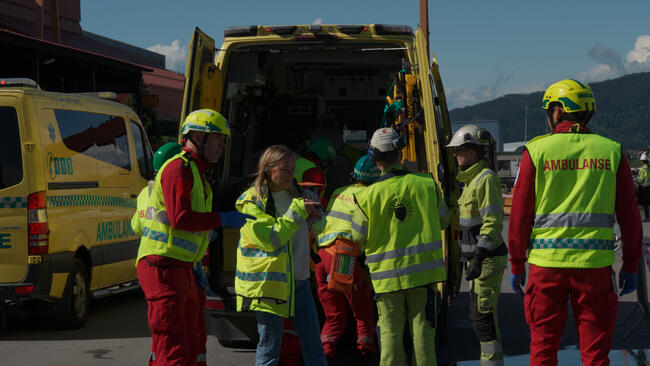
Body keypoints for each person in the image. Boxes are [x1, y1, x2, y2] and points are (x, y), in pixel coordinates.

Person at [508, 79, 643, 366]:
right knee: (595, 355)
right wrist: (631, 264)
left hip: (546, 268)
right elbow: (630, 216)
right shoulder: (611, 151)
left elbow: (519, 216)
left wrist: (517, 263)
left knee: (543, 352)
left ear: (558, 111)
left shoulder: (535, 151)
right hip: (595, 267)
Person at [136, 109, 254, 366]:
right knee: (174, 344)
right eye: (219, 139)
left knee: (191, 341)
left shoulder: (196, 172)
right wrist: (222, 219)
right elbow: (181, 218)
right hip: (164, 267)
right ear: (199, 138)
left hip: (181, 266)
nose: (224, 146)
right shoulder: (179, 169)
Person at [351, 128, 450, 366]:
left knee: (390, 334)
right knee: (423, 333)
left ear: (374, 157)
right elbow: (444, 220)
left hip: (387, 279)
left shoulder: (366, 196)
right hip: (423, 276)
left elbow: (358, 238)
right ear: (401, 152)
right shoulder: (427, 184)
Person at [235, 144, 327, 366]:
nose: (291, 174)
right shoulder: (252, 201)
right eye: (285, 170)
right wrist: (297, 213)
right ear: (268, 169)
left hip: (300, 283)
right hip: (270, 286)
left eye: (293, 169)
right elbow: (271, 240)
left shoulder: (299, 194)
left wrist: (316, 217)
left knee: (314, 344)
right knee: (269, 349)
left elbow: (322, 228)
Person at [447, 125, 507, 365]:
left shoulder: (486, 180)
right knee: (479, 318)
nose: (454, 155)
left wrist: (479, 256)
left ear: (472, 151)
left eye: (458, 150)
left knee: (484, 321)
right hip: (478, 262)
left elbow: (492, 223)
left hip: (487, 261)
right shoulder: (470, 182)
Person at [314, 155, 381, 361]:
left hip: (322, 254)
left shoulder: (338, 191)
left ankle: (326, 355)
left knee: (334, 315)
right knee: (362, 309)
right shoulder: (371, 194)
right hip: (343, 256)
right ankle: (365, 351)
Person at [294, 138, 337, 205]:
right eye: (329, 163)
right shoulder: (315, 173)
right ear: (325, 160)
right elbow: (312, 202)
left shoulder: (296, 162)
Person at [636, 152, 650, 221]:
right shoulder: (648, 168)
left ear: (642, 161)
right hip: (648, 187)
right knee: (647, 203)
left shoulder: (643, 169)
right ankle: (647, 216)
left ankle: (646, 217)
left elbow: (640, 179)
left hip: (643, 188)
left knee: (644, 204)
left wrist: (637, 181)